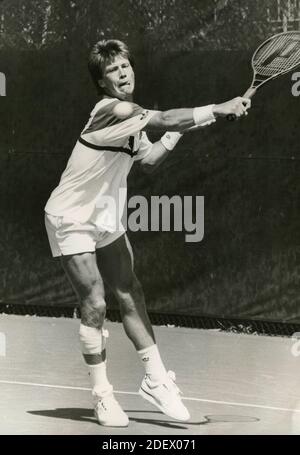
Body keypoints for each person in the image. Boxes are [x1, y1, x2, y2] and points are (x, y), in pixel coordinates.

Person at [44, 39, 250, 427]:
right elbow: (165, 119)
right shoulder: (112, 110)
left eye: (126, 66)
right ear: (102, 83)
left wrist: (188, 127)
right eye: (113, 71)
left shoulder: (132, 121)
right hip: (70, 216)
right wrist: (215, 109)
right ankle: (102, 395)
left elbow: (151, 159)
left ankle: (156, 380)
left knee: (130, 291)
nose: (123, 74)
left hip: (106, 215)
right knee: (97, 303)